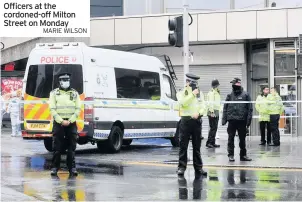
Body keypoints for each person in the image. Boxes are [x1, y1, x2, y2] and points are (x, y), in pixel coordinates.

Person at [49, 73, 81, 176]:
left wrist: (70, 120)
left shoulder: (75, 93)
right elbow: (52, 109)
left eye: (67, 80)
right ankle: (55, 167)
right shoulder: (54, 93)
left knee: (72, 146)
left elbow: (78, 109)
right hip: (59, 122)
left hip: (71, 122)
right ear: (60, 82)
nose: (66, 82)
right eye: (64, 80)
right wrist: (61, 120)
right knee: (57, 146)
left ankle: (72, 168)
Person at [176, 73, 207, 177]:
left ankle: (199, 168)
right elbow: (182, 103)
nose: (195, 85)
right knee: (183, 146)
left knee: (197, 146)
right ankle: (181, 167)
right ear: (187, 82)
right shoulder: (182, 92)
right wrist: (192, 94)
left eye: (196, 83)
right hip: (185, 121)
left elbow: (203, 106)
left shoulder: (200, 93)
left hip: (197, 122)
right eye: (192, 83)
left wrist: (199, 113)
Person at [222, 78, 252, 162]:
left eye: (235, 84)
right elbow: (225, 107)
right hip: (231, 121)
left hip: (242, 121)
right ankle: (230, 155)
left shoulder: (245, 95)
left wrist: (248, 121)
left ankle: (243, 155)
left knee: (242, 139)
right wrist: (224, 119)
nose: (234, 86)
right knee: (230, 138)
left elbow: (250, 109)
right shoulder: (229, 95)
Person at [206, 79, 221, 148]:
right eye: (217, 85)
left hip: (216, 111)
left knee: (214, 128)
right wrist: (212, 112)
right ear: (215, 85)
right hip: (213, 111)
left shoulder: (216, 92)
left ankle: (212, 142)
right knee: (213, 128)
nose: (218, 86)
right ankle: (209, 143)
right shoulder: (212, 93)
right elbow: (210, 103)